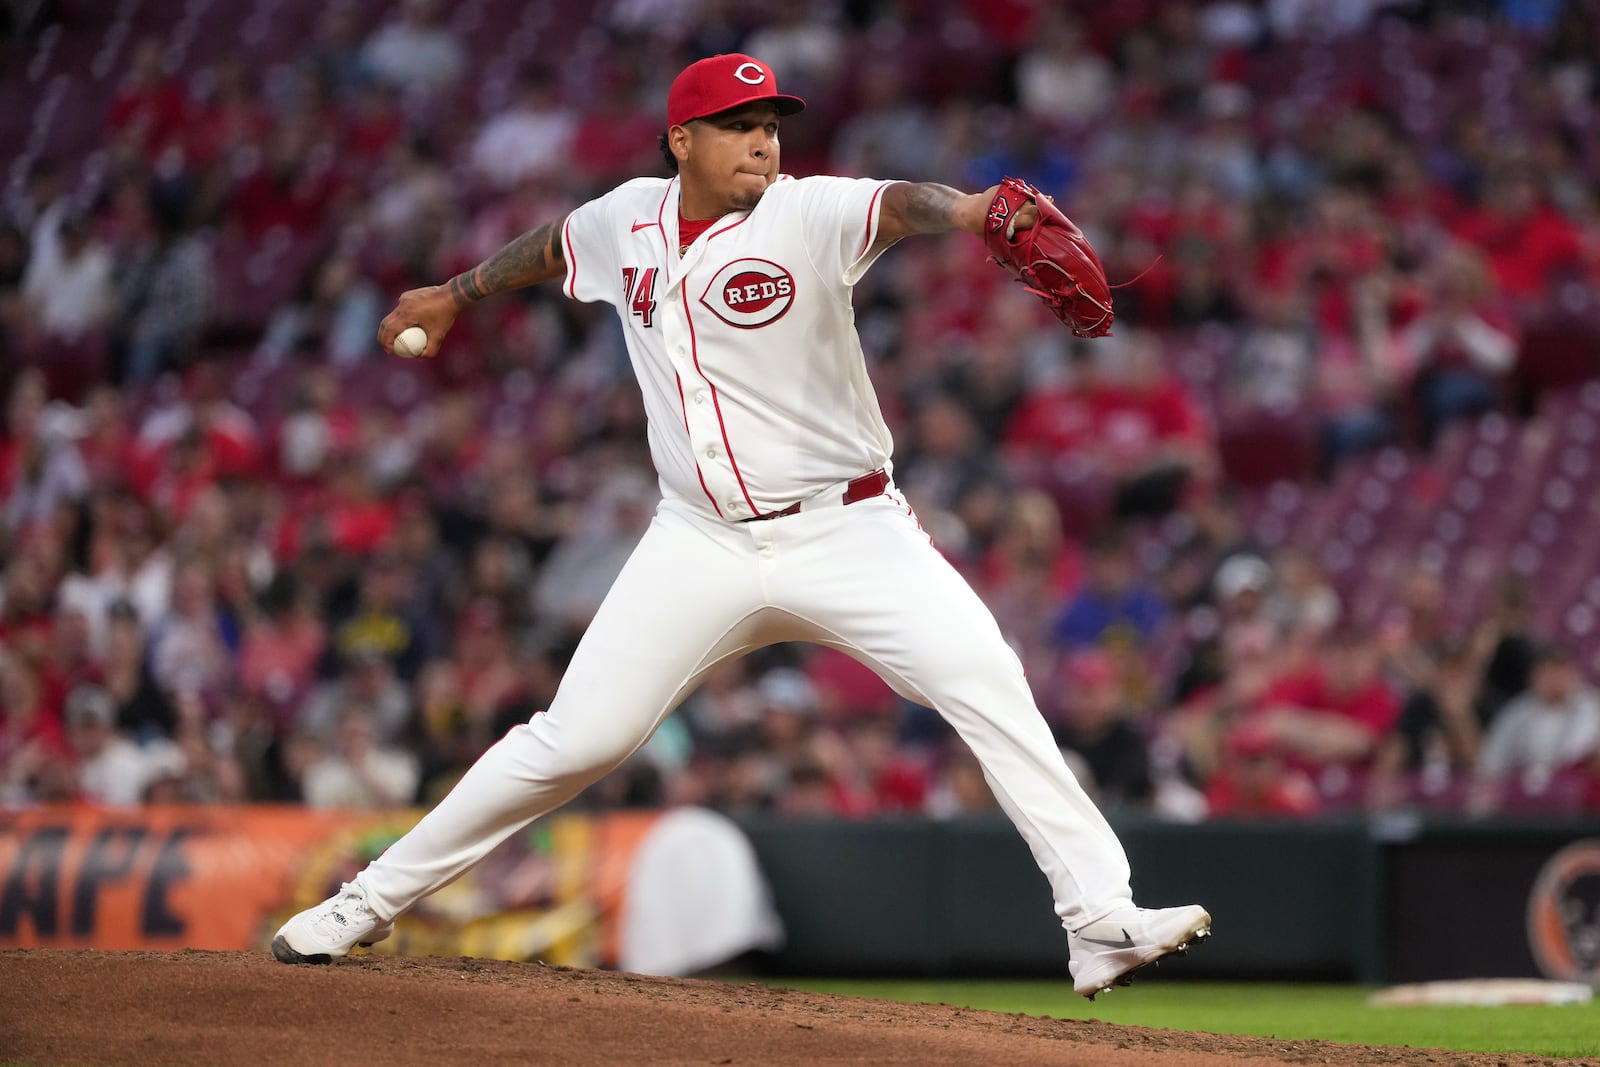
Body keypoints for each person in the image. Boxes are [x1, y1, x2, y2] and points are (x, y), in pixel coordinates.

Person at [271, 52, 1209, 999]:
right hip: (700, 539)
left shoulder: (804, 212)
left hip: (847, 528)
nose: (763, 139)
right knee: (576, 739)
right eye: (736, 123)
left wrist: (970, 211)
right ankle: (365, 903)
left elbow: (898, 203)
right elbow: (556, 244)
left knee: (987, 680)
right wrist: (456, 293)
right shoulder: (625, 219)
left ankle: (1099, 920)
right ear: (682, 140)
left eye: (770, 122)